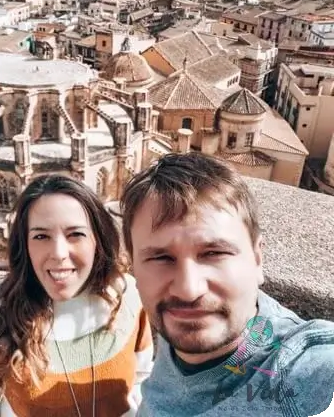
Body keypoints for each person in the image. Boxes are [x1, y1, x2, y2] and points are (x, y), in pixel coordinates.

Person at [119, 152, 334, 416]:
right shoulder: (174, 332)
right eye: (161, 257)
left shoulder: (303, 370)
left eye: (214, 253)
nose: (189, 290)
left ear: (257, 259)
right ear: (134, 270)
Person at [0, 174, 153, 417]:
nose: (59, 253)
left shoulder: (127, 296)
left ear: (97, 240)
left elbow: (142, 378)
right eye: (41, 236)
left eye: (75, 234)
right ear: (24, 245)